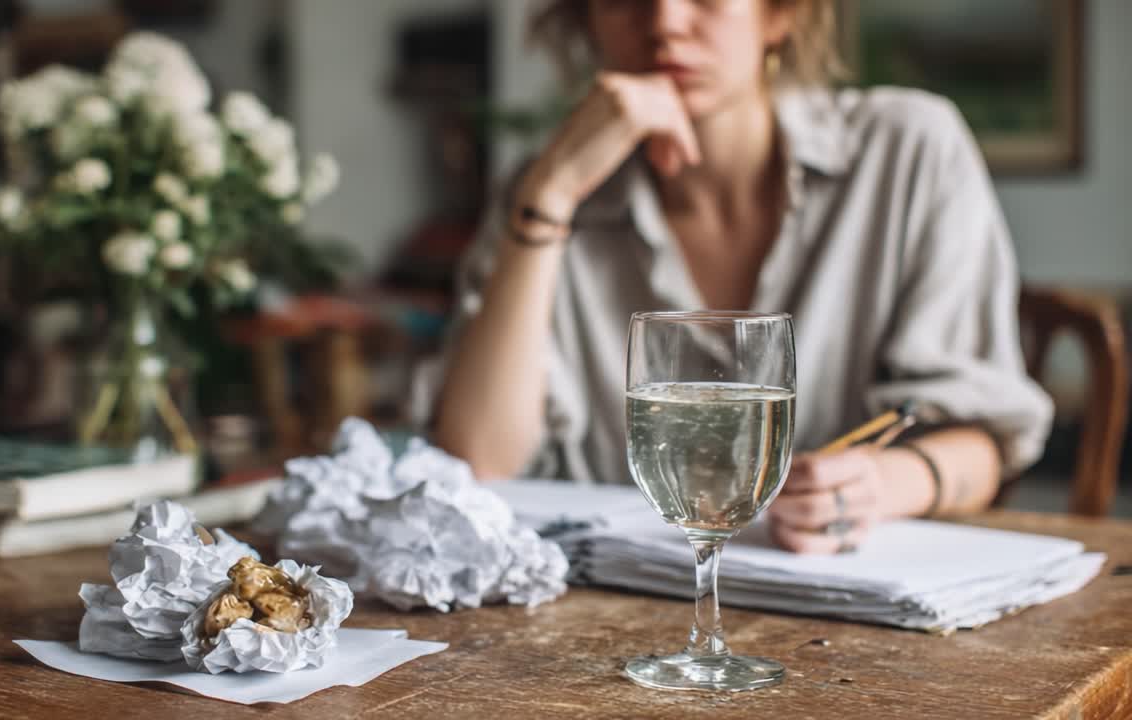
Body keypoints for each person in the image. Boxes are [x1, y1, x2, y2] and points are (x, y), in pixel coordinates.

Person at [410, 0, 1053, 554]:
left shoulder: (909, 152)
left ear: (782, 12)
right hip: (604, 621)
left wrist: (882, 485)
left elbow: (986, 445)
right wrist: (548, 195)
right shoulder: (545, 188)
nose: (665, 22)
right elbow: (481, 462)